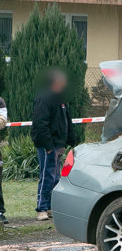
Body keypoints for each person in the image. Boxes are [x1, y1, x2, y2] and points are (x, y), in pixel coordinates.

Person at [31, 69, 74, 221]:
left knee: (55, 176)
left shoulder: (60, 99)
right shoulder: (44, 98)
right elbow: (41, 124)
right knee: (47, 176)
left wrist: (69, 140)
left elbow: (66, 120)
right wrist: (48, 146)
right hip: (48, 145)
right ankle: (41, 208)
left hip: (58, 144)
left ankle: (49, 207)